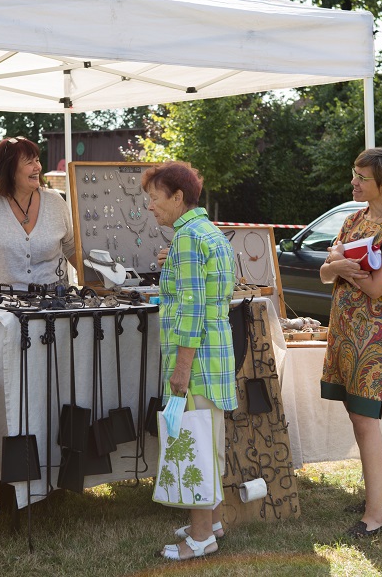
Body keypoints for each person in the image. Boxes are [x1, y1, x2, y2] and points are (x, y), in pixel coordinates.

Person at [319, 147, 382, 538]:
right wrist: (336, 265)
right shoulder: (353, 219)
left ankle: (375, 517)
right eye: (354, 175)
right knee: (355, 413)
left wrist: (343, 266)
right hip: (343, 330)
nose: (354, 183)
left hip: (371, 335)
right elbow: (325, 274)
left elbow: (376, 288)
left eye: (362, 178)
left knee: (364, 419)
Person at [144, 161, 236, 561]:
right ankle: (213, 522)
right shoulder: (208, 231)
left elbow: (193, 309)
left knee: (197, 444)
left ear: (178, 197)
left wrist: (181, 369)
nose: (150, 206)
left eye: (154, 198)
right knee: (210, 440)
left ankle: (200, 538)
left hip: (196, 361)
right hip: (215, 354)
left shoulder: (186, 238)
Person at [0, 136, 75, 290]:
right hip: (2, 297)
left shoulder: (55, 200)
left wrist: (95, 282)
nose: (37, 167)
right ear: (10, 170)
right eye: (29, 162)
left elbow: (71, 247)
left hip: (55, 295)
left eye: (37, 160)